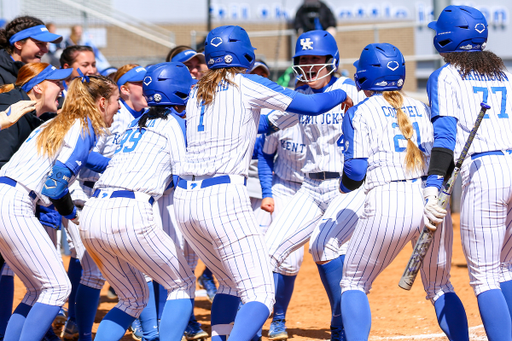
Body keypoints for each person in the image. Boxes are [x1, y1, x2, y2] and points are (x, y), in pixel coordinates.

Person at [173, 25, 352, 341]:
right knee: (260, 293)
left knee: (230, 281)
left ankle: (221, 336)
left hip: (186, 200)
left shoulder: (195, 90)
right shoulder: (246, 83)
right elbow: (313, 105)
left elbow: (258, 126)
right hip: (222, 196)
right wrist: (344, 92)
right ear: (244, 53)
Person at [339, 42, 470, 341]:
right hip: (432, 200)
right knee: (440, 286)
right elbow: (445, 154)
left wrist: (342, 187)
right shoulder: (422, 107)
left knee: (354, 282)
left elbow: (355, 173)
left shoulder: (360, 111)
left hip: (388, 202)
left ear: (363, 76)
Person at [79, 62, 196, 341]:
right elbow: (182, 178)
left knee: (132, 299)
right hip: (129, 210)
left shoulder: (136, 122)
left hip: (94, 212)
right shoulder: (174, 124)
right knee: (182, 284)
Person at [0, 72, 118, 341]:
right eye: (115, 99)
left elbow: (88, 159)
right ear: (101, 103)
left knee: (36, 289)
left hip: (7, 196)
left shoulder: (61, 122)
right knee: (57, 287)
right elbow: (55, 187)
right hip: (15, 202)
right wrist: (73, 214)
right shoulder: (83, 126)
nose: (118, 105)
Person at [263, 30, 365, 341]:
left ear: (331, 61)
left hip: (345, 188)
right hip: (308, 187)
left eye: (315, 59)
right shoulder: (301, 95)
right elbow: (267, 124)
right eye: (303, 60)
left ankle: (343, 322)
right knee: (268, 251)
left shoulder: (351, 90)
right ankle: (254, 324)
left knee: (323, 248)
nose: (309, 66)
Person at [426, 5, 512, 341]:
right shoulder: (503, 73)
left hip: (485, 171)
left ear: (445, 38)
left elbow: (445, 138)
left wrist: (434, 182)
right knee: (505, 268)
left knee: (485, 276)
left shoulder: (446, 75)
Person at [60, 64, 147, 341]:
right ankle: (81, 329)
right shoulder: (91, 121)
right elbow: (84, 158)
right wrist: (120, 166)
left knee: (121, 265)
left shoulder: (132, 116)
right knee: (92, 272)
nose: (118, 106)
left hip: (104, 196)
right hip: (82, 194)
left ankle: (146, 329)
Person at [0, 16, 63, 85]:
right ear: (18, 44)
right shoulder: (2, 75)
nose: (45, 50)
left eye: (46, 44)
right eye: (39, 43)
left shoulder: (39, 73)